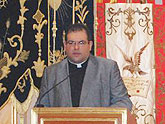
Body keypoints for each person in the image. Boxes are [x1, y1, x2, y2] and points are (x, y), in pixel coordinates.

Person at [36, 23, 132, 111]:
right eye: (71, 43)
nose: (76, 47)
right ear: (65, 46)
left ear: (90, 45)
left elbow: (124, 102)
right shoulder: (51, 73)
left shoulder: (108, 69)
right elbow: (41, 107)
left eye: (81, 43)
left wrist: (100, 117)